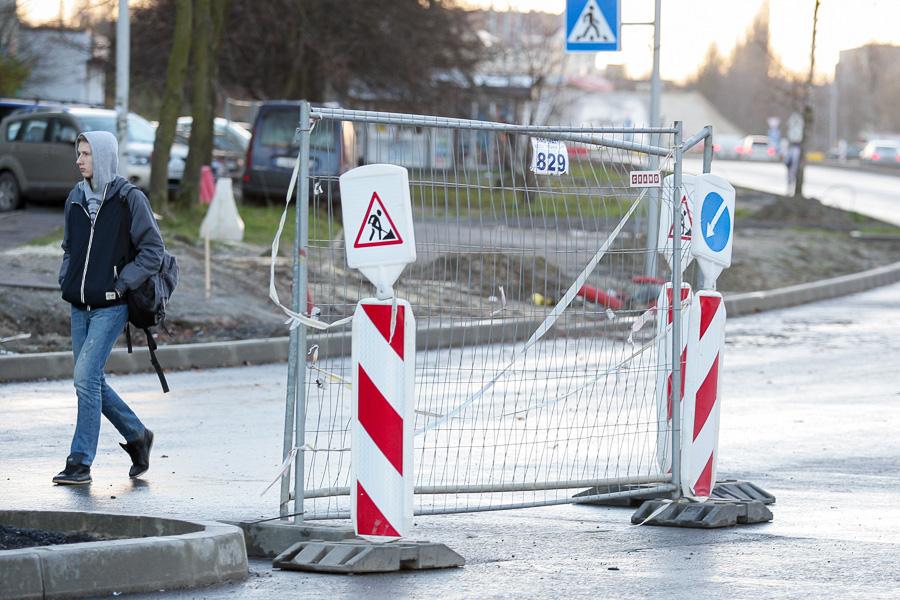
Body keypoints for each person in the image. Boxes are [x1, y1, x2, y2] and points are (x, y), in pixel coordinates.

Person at [53, 130, 163, 485]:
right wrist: (66, 278)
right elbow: (69, 247)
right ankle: (137, 435)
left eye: (86, 154)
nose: (79, 160)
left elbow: (153, 251)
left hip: (111, 305)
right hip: (79, 304)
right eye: (79, 153)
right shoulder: (75, 197)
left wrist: (121, 283)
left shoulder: (129, 199)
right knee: (90, 380)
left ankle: (80, 461)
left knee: (84, 378)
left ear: (103, 157)